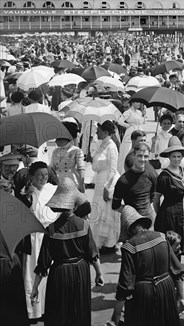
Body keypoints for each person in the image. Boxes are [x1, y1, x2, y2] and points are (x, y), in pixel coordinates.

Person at [30, 179, 104, 326]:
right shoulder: (83, 225)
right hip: (80, 271)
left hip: (59, 273)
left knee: (59, 311)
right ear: (75, 204)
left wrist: (35, 287)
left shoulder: (51, 230)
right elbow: (92, 254)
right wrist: (99, 274)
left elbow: (43, 263)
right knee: (79, 310)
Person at [107, 206, 184, 326]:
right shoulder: (161, 236)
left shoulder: (129, 247)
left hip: (143, 294)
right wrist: (181, 298)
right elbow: (178, 270)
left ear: (128, 229)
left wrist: (115, 317)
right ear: (143, 223)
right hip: (166, 288)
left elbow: (125, 285)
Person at [20, 162, 59, 322]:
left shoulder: (53, 189)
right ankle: (33, 311)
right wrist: (28, 197)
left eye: (45, 174)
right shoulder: (26, 193)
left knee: (48, 274)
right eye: (39, 175)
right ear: (31, 177)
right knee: (32, 274)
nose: (43, 178)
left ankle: (46, 308)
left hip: (50, 237)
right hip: (34, 238)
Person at [154, 139, 184, 256]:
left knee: (180, 247)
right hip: (169, 215)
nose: (176, 159)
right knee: (171, 246)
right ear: (169, 157)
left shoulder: (183, 171)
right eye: (174, 156)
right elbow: (156, 199)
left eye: (179, 156)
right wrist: (161, 214)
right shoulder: (164, 176)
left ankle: (178, 271)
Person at [112, 143, 158, 242]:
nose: (142, 159)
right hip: (132, 223)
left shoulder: (152, 175)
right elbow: (115, 206)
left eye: (145, 156)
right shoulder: (123, 180)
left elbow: (152, 197)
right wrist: (129, 212)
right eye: (139, 156)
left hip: (149, 220)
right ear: (133, 156)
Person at [89, 120, 121, 251]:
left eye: (99, 131)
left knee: (107, 213)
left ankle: (109, 243)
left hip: (108, 181)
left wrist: (107, 188)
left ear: (106, 132)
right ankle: (98, 241)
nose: (97, 132)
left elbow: (113, 169)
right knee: (98, 211)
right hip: (99, 180)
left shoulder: (112, 146)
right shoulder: (102, 144)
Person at [49, 120, 86, 193]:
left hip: (72, 182)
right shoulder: (55, 151)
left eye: (59, 139)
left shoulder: (76, 151)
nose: (56, 141)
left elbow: (81, 169)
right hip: (58, 182)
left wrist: (82, 184)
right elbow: (51, 168)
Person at [117, 101, 146, 174]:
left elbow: (142, 122)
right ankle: (124, 170)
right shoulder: (128, 112)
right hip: (131, 132)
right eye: (136, 102)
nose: (138, 104)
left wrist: (144, 114)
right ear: (132, 103)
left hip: (140, 131)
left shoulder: (139, 112)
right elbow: (120, 121)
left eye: (139, 103)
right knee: (128, 149)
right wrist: (128, 126)